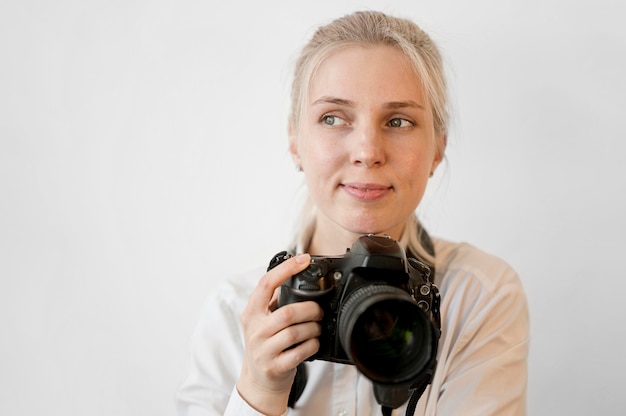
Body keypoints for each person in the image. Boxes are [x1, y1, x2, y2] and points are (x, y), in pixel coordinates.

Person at [176, 10, 529, 416]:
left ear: (437, 148)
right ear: (296, 142)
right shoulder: (232, 313)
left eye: (398, 121)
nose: (367, 152)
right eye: (333, 118)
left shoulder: (476, 297)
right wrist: (259, 391)